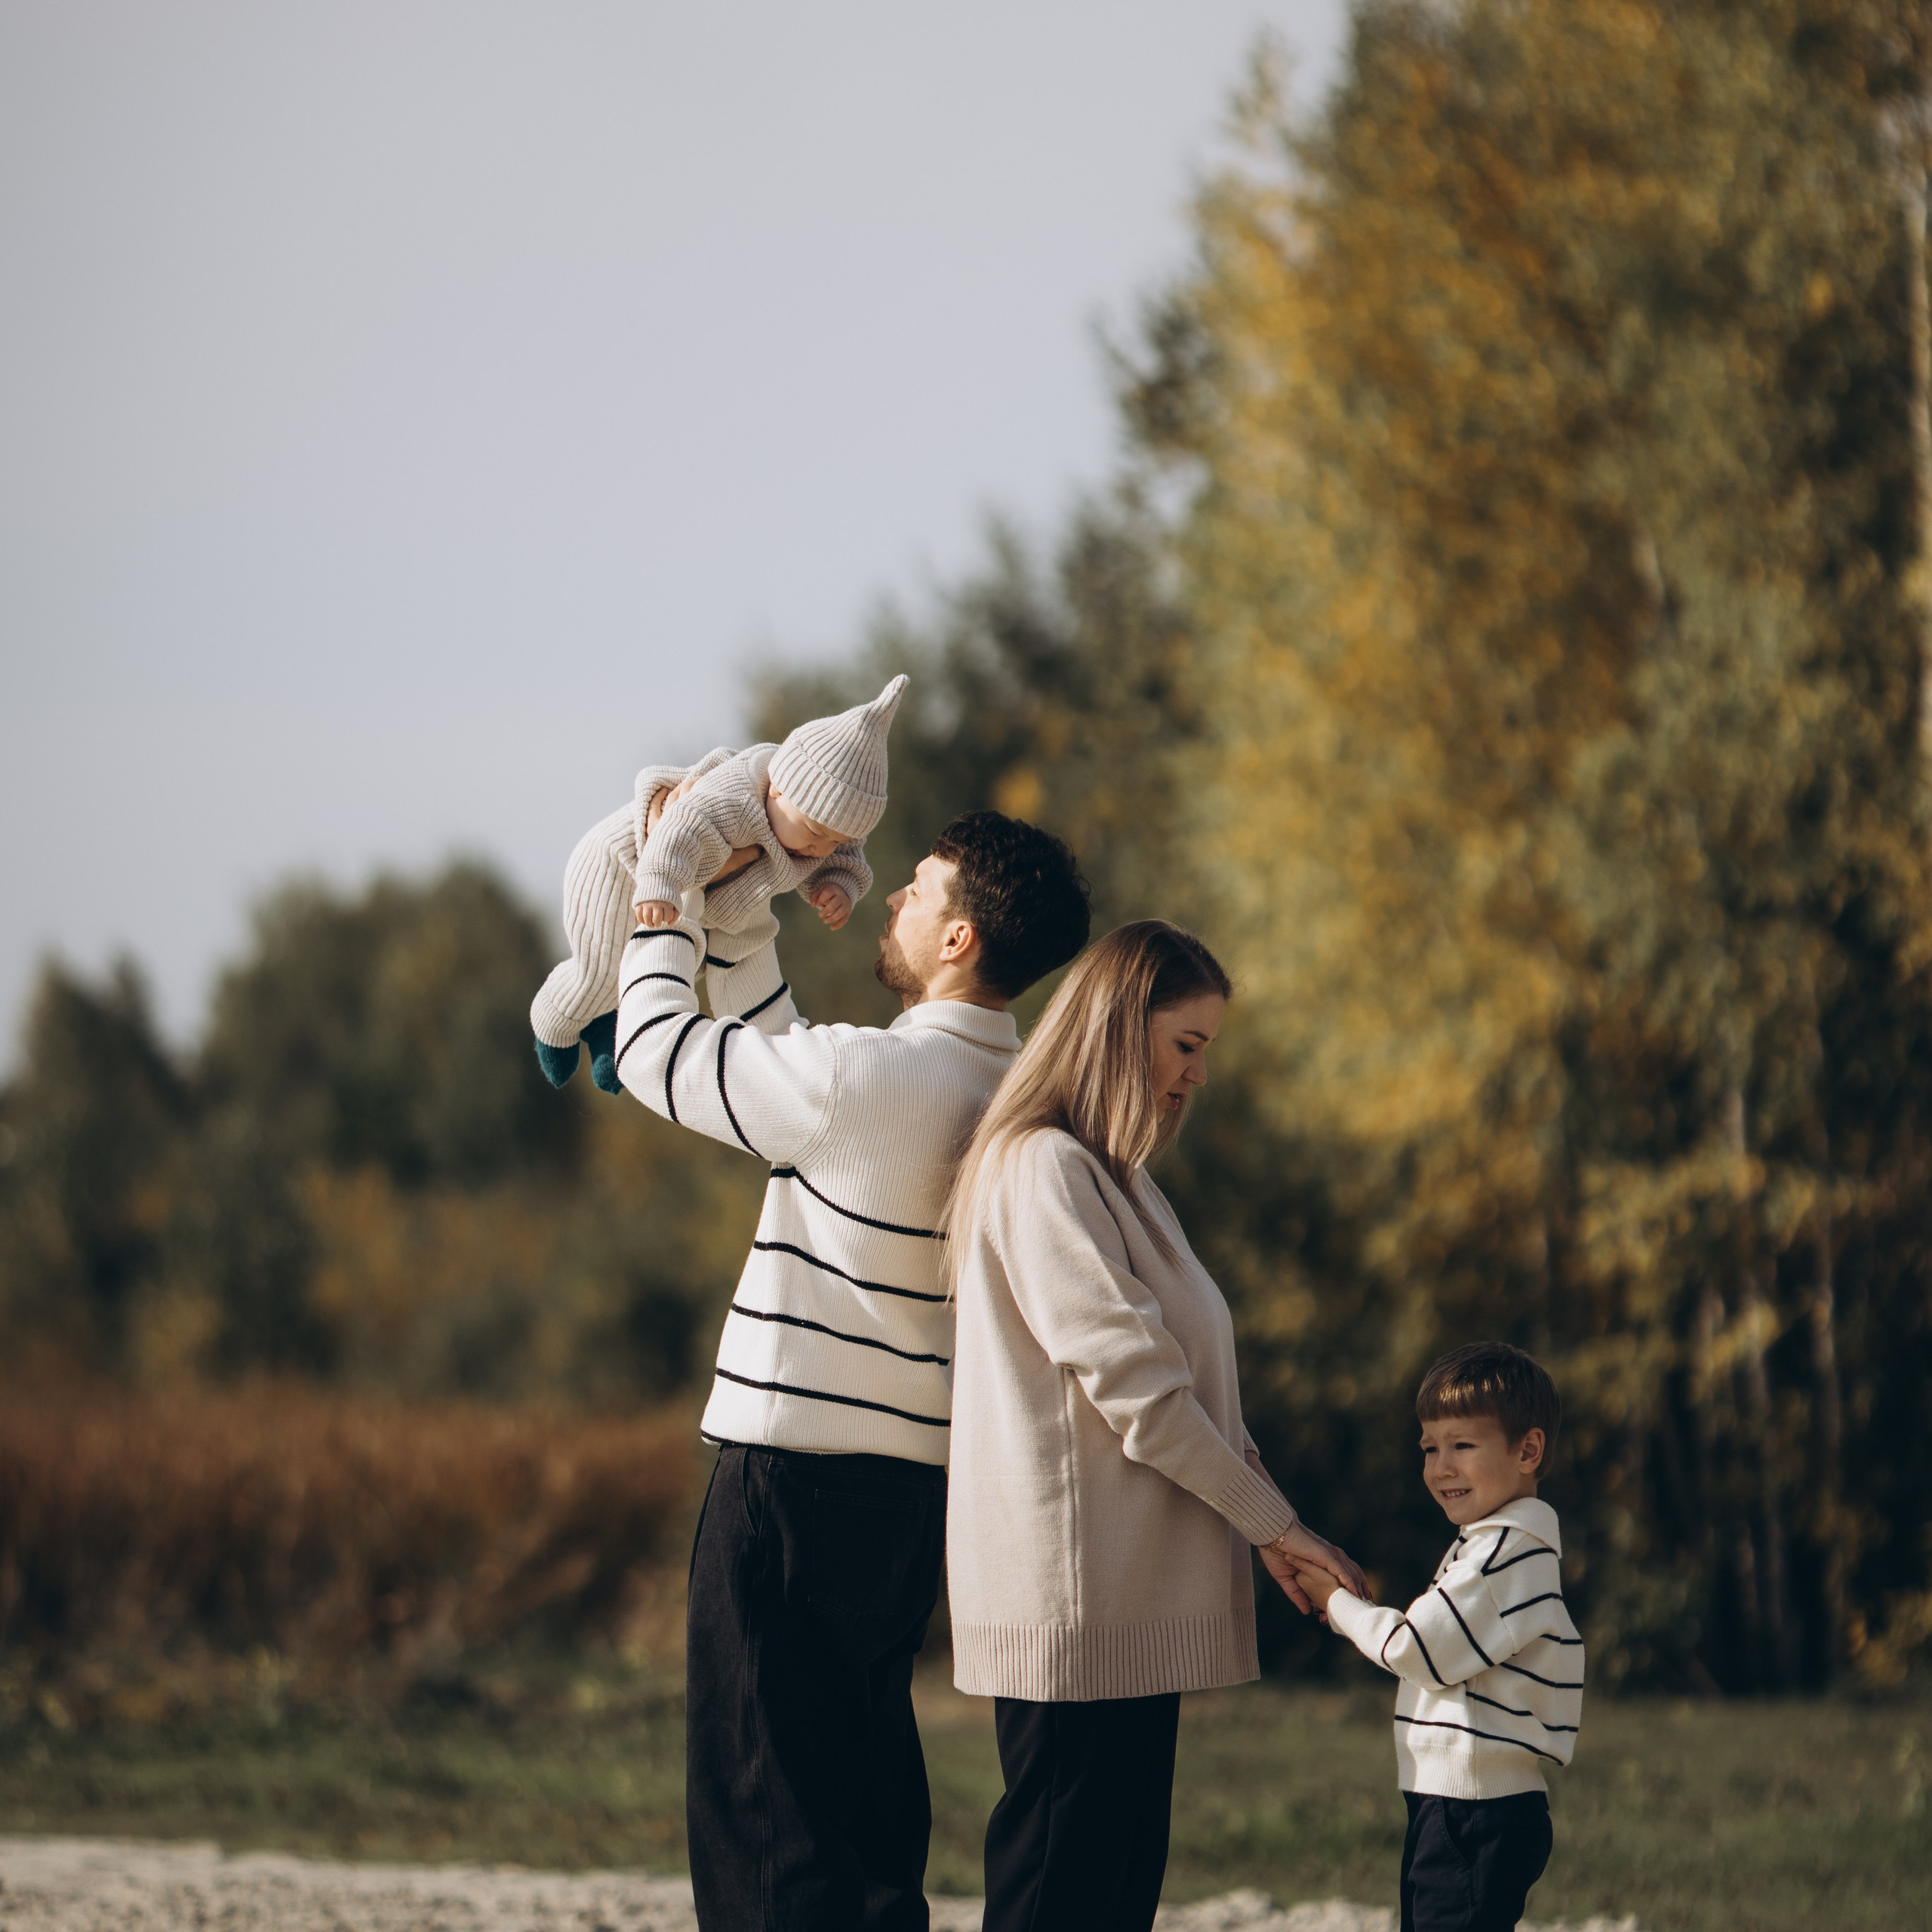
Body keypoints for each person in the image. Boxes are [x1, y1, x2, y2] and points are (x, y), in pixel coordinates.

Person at [612, 808, 1091, 1932]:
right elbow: (795, 1072)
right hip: (912, 1489)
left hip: (787, 1481)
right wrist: (744, 923)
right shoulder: (1022, 1094)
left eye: (917, 890)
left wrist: (665, 889)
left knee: (767, 1813)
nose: (893, 903)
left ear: (961, 936)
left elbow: (654, 1055)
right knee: (866, 1809)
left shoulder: (863, 1081)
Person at [943, 918, 1369, 1932]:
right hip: (1079, 1607)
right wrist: (1272, 1524)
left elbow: (1194, 1388)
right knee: (1063, 1894)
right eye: (1187, 1045)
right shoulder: (1044, 1171)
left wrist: (1266, 1520)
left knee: (1112, 1894)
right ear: (1114, 1028)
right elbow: (1138, 1391)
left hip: (1124, 1608)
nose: (1197, 1077)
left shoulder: (1124, 1184)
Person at [1294, 1342, 1583, 1932]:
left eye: (1462, 1445)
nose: (1440, 1466)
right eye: (1430, 1447)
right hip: (1462, 1805)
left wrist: (1337, 1604)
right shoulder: (1490, 1545)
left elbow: (1417, 1649)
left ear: (1528, 1450)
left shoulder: (1504, 1551)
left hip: (1474, 1809)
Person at [529, 674, 907, 1092]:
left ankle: (619, 1030)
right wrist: (659, 882)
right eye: (815, 832)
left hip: (706, 892)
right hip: (623, 865)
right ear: (778, 790)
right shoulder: (737, 795)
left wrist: (841, 885)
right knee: (602, 969)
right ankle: (553, 1022)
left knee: (688, 966)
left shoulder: (818, 832)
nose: (821, 849)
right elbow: (681, 827)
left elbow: (847, 858)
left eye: (836, 840)